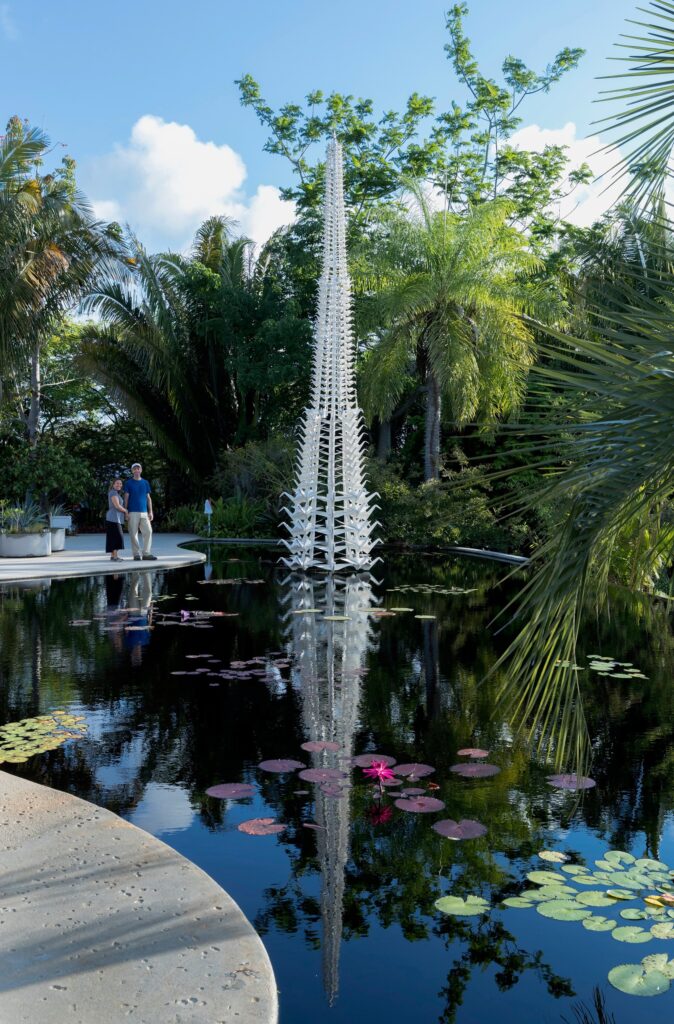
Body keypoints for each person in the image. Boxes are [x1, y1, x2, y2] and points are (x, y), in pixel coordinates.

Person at [123, 462, 158, 561]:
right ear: (132, 471)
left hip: (144, 512)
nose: (137, 470)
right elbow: (126, 497)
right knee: (133, 533)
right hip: (132, 512)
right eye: (135, 469)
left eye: (138, 468)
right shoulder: (129, 483)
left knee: (148, 531)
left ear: (141, 470)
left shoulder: (145, 482)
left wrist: (150, 511)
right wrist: (126, 511)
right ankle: (136, 554)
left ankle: (146, 553)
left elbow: (148, 498)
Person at [105, 478, 128, 562]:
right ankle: (115, 557)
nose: (119, 485)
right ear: (113, 485)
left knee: (114, 537)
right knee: (117, 537)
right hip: (113, 518)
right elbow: (117, 506)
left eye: (120, 484)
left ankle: (113, 556)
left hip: (116, 519)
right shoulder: (113, 492)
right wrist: (126, 511)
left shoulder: (116, 493)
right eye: (117, 483)